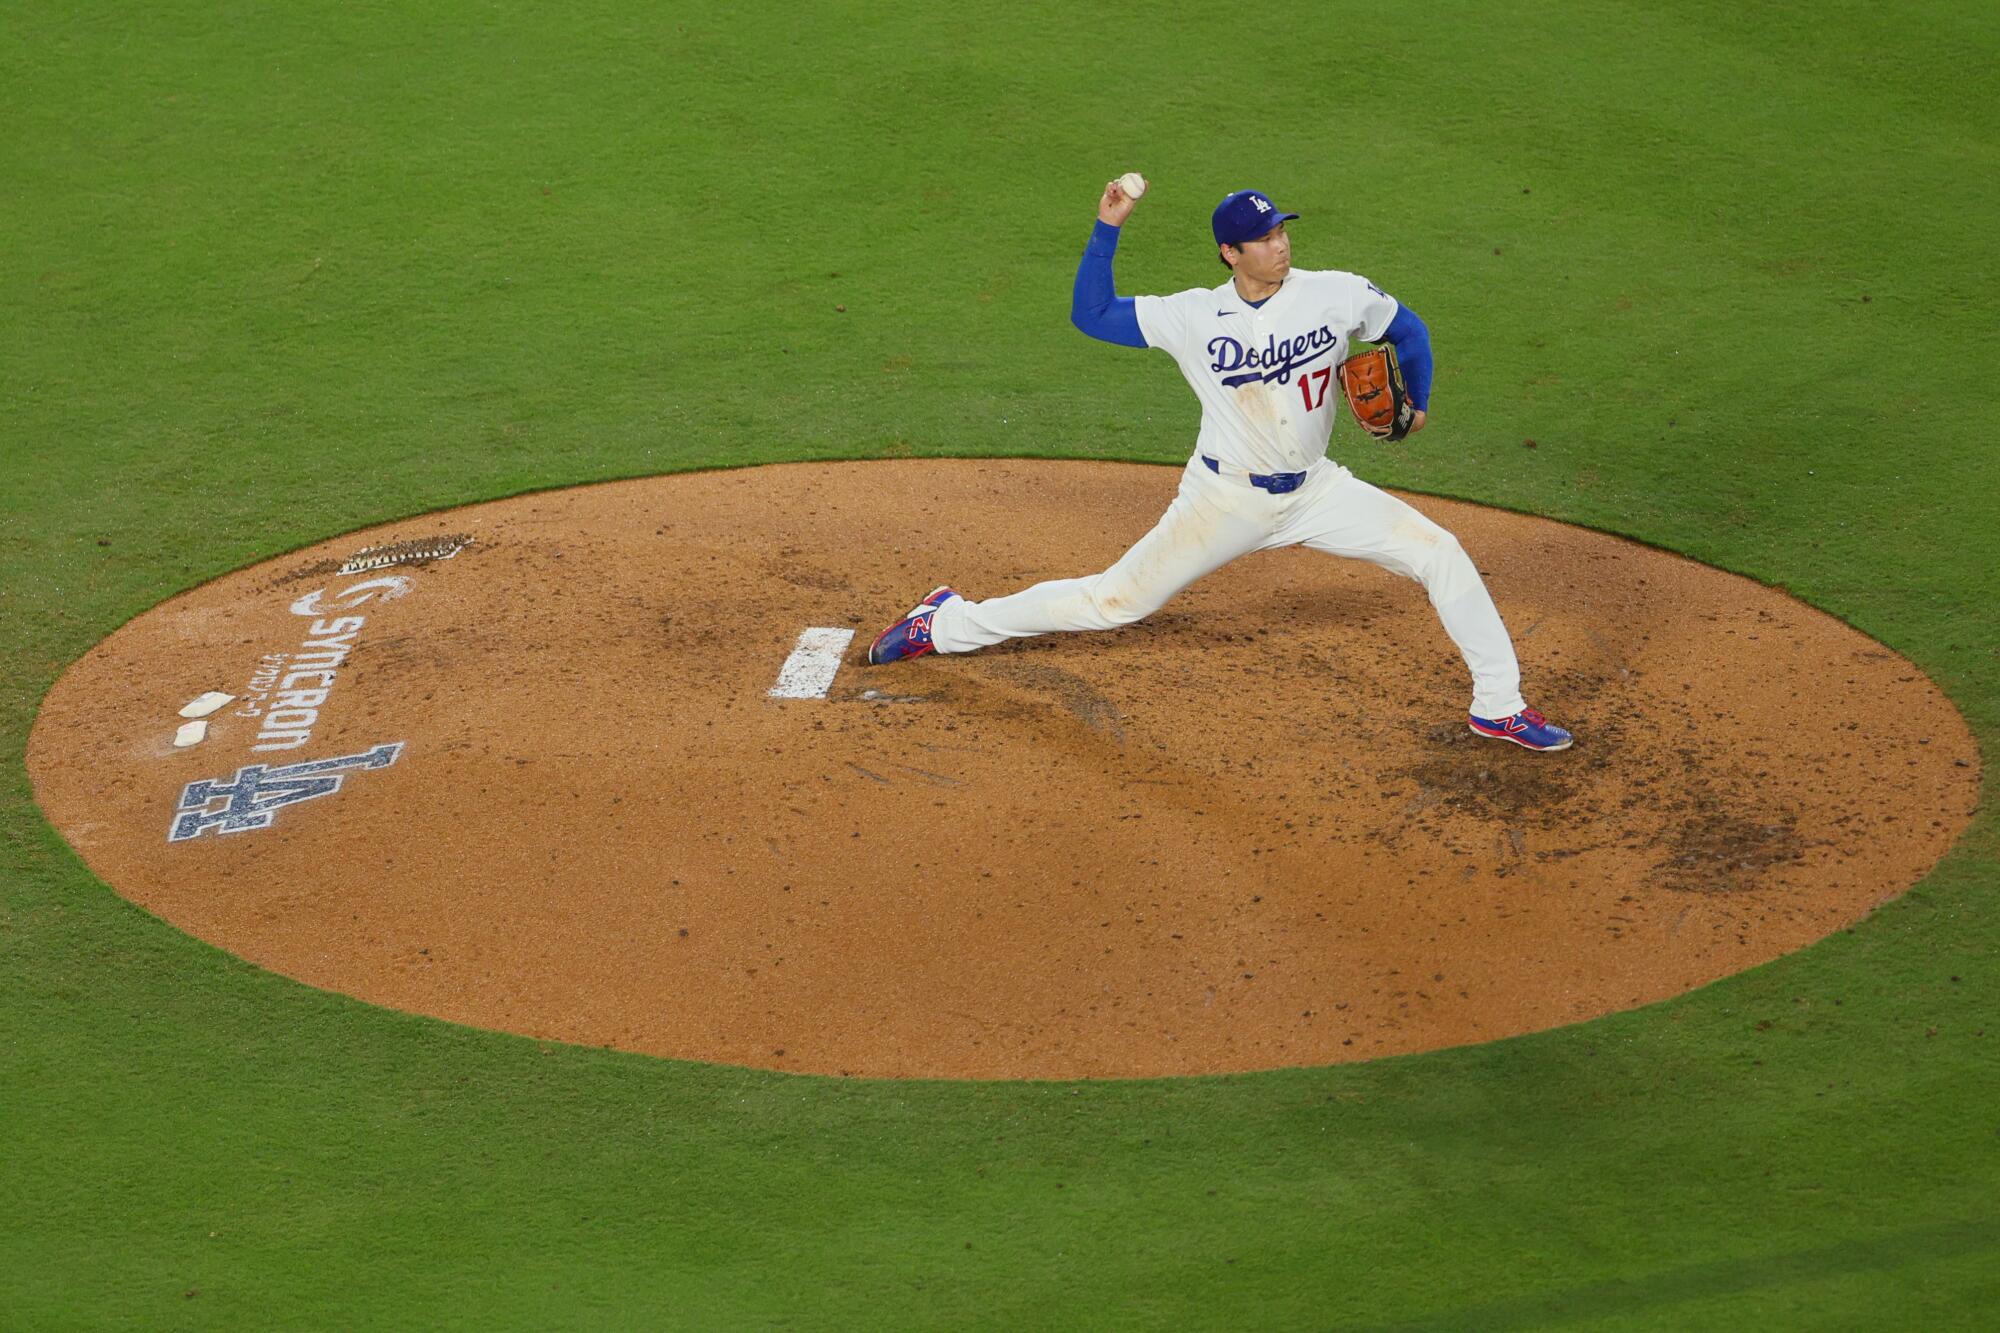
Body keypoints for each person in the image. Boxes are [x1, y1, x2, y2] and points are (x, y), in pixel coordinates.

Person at [865, 176, 1571, 752]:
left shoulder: (1334, 292)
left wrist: (1415, 400)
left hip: (1319, 492)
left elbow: (1408, 328)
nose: (1281, 244)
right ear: (1231, 253)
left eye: (1283, 230)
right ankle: (946, 622)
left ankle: (1498, 706)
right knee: (1114, 602)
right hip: (1223, 500)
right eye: (1264, 238)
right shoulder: (1192, 315)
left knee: (1439, 551)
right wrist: (1107, 227)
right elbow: (1092, 314)